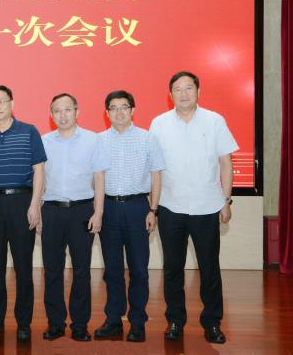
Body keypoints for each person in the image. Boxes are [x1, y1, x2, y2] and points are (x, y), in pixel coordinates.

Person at [149, 71, 237, 344]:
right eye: (178, 89)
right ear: (170, 95)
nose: (184, 93)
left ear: (199, 91)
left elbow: (226, 163)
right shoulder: (159, 123)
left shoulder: (214, 121)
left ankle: (212, 323)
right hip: (170, 206)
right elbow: (154, 169)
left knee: (209, 269)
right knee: (172, 269)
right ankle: (175, 321)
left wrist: (226, 200)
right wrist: (153, 207)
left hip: (207, 206)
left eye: (189, 88)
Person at [94, 90, 164, 343]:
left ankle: (137, 322)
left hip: (137, 208)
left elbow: (156, 176)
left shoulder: (148, 138)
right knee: (112, 269)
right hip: (109, 208)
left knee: (139, 270)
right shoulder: (99, 140)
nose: (119, 112)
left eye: (124, 107)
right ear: (107, 113)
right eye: (113, 108)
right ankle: (113, 320)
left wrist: (153, 210)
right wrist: (98, 211)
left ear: (133, 110)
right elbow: (96, 177)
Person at [0, 85, 46, 342]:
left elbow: (39, 170)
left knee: (23, 267)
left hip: (22, 203)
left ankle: (23, 322)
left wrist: (35, 204)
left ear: (12, 104)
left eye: (2, 101)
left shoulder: (29, 131)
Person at [40, 93, 108, 342]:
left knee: (81, 270)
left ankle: (80, 324)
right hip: (51, 211)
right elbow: (40, 178)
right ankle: (55, 323)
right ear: (51, 115)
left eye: (67, 110)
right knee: (52, 270)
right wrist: (37, 210)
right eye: (57, 110)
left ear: (77, 112)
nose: (63, 115)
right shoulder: (44, 141)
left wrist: (98, 212)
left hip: (82, 211)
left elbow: (99, 178)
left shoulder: (93, 139)